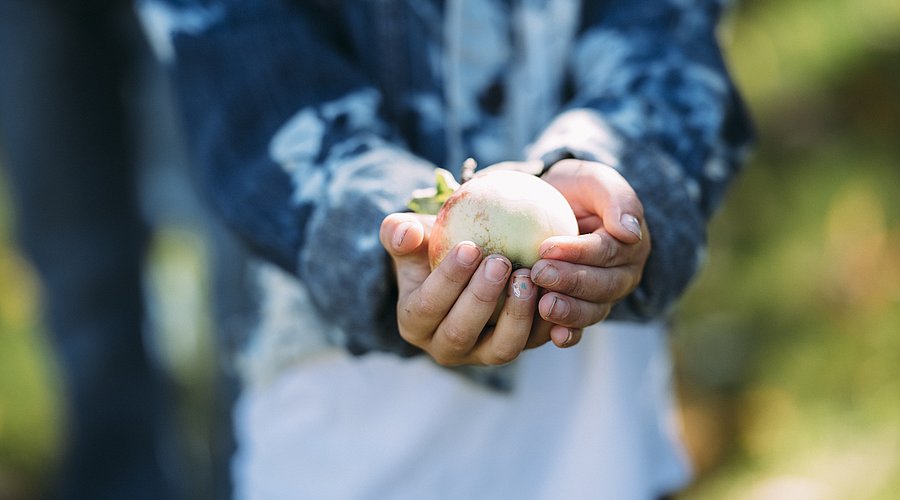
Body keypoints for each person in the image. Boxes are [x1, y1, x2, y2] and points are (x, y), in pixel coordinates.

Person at [137, 0, 753, 498]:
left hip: (597, 414)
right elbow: (242, 59)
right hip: (344, 418)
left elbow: (667, 28)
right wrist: (379, 235)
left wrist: (615, 171)